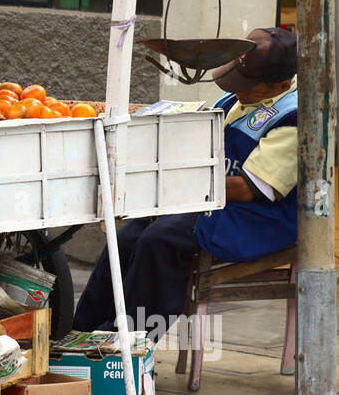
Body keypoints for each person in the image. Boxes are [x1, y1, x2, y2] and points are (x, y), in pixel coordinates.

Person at [71, 27, 300, 339]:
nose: (240, 91)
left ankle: (136, 340)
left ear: (282, 85)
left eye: (249, 86)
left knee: (160, 239)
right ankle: (85, 331)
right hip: (210, 199)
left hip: (256, 217)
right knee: (128, 236)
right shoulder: (239, 97)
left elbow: (250, 189)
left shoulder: (293, 117)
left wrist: (181, 178)